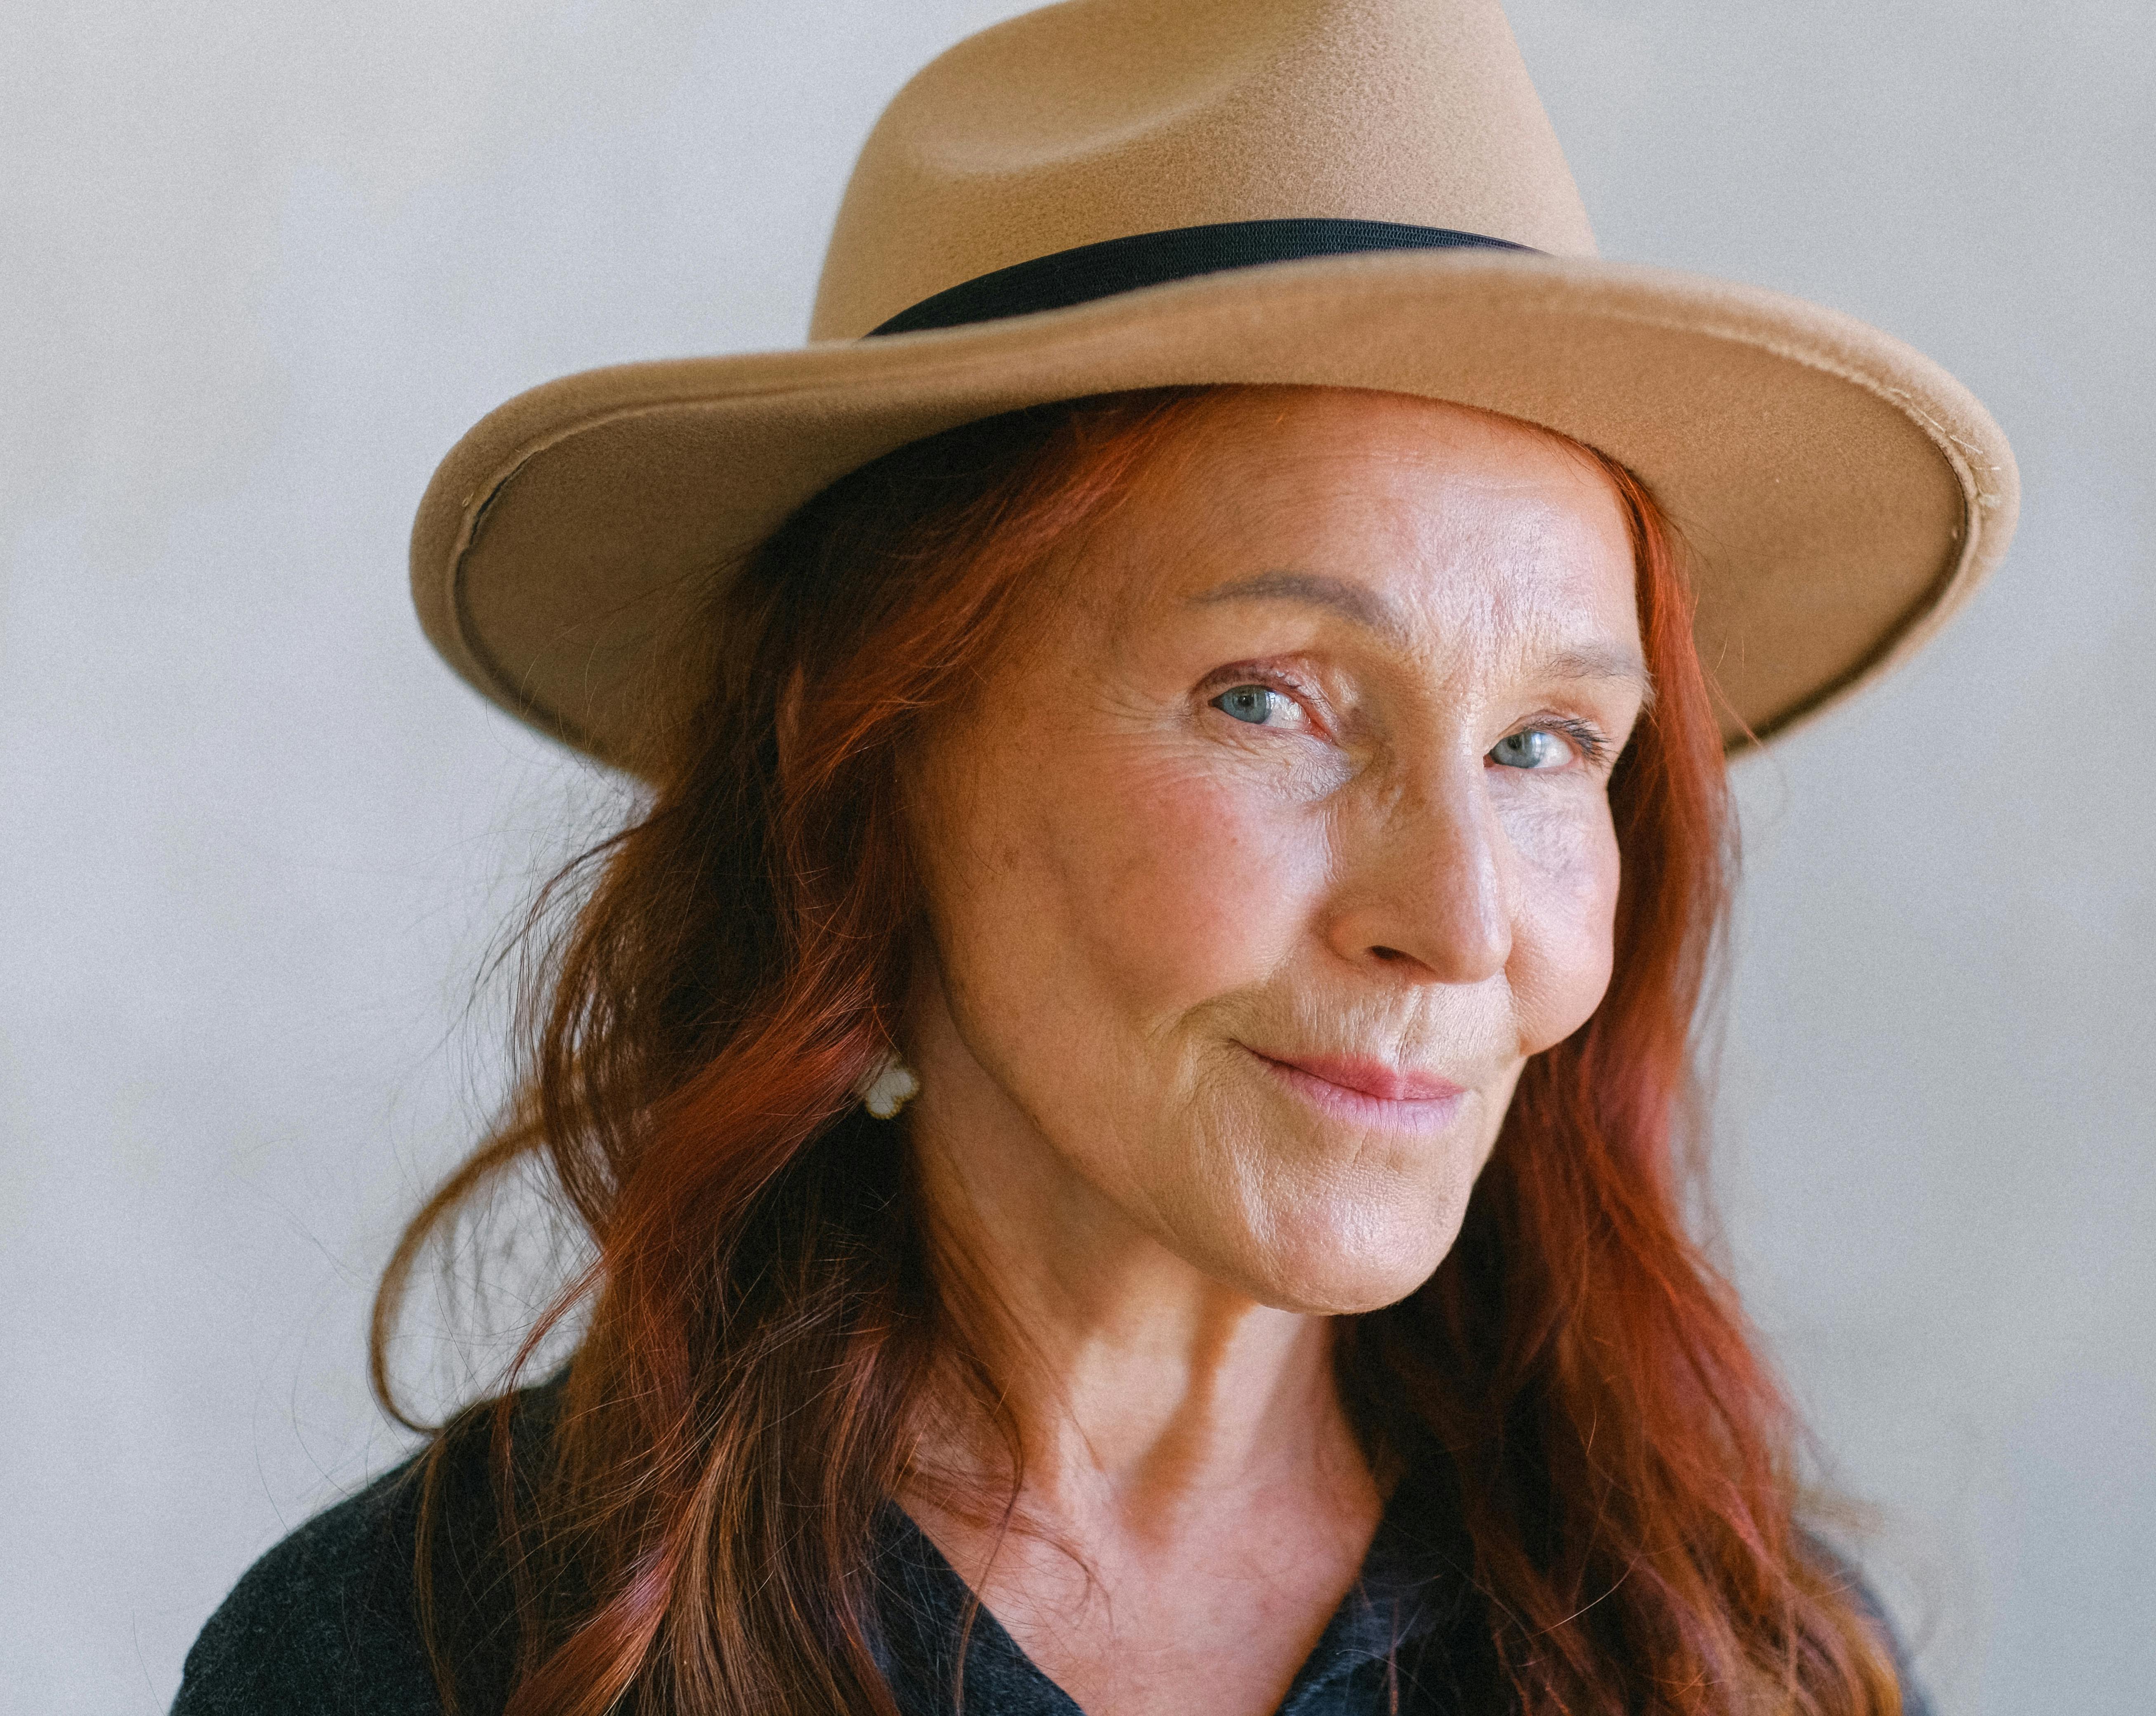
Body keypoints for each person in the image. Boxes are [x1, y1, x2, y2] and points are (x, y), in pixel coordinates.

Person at [175, 2, 2016, 1713]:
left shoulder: (1739, 1656)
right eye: (1273, 702)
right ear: (870, 761)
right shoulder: (439, 1652)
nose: (1460, 919)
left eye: (1548, 746)